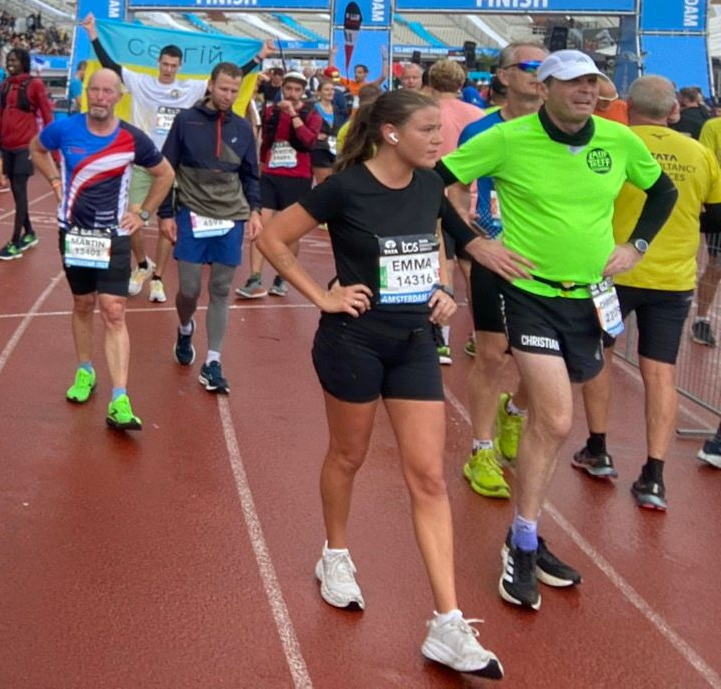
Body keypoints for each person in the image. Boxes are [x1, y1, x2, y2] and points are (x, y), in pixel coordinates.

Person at [255, 89, 506, 677]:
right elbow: (271, 238)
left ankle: (447, 622)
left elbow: (439, 246)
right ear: (391, 134)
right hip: (354, 342)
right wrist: (323, 294)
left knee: (428, 476)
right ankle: (335, 554)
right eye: (428, 130)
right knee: (349, 455)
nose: (439, 140)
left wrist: (443, 292)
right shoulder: (346, 187)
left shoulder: (430, 185)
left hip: (415, 342)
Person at [438, 49, 676, 611]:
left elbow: (662, 191)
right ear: (543, 88)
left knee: (547, 416)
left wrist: (635, 246)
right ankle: (522, 541)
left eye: (592, 82)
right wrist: (473, 243)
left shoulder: (620, 142)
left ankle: (514, 429)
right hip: (527, 295)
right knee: (560, 417)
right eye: (571, 82)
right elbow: (433, 182)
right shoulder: (507, 139)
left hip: (589, 298)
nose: (585, 91)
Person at [574, 76, 721, 510]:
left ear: (628, 107)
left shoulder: (611, 142)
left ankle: (598, 448)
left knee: (599, 354)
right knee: (661, 372)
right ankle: (654, 474)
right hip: (672, 279)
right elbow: (713, 215)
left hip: (612, 272)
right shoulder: (699, 153)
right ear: (674, 111)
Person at [80, 14, 268, 302]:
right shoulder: (140, 81)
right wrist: (93, 33)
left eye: (173, 66)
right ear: (159, 64)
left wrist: (259, 57)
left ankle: (157, 278)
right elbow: (110, 65)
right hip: (144, 163)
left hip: (174, 167)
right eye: (165, 64)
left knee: (168, 225)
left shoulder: (192, 87)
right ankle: (143, 264)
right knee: (131, 219)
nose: (168, 69)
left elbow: (229, 78)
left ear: (180, 67)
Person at [31, 69, 173, 432]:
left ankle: (120, 398)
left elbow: (165, 174)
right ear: (86, 94)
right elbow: (37, 148)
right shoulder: (64, 130)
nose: (99, 97)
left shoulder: (131, 138)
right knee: (82, 304)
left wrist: (142, 213)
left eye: (107, 91)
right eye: (94, 90)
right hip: (74, 234)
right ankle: (84, 371)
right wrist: (53, 179)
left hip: (113, 236)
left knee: (114, 310)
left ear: (118, 96)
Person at [451, 43, 548, 500]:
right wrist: (470, 239)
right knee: (492, 353)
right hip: (496, 257)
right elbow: (450, 186)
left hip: (552, 262)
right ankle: (482, 449)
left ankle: (516, 411)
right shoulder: (480, 129)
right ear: (504, 76)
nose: (540, 75)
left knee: (550, 359)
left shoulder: (568, 128)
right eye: (530, 67)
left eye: (546, 68)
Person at [157, 62, 260, 395]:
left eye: (234, 90)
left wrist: (255, 211)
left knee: (220, 288)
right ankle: (185, 327)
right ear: (211, 85)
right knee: (188, 288)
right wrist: (165, 213)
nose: (229, 96)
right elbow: (167, 168)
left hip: (231, 216)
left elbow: (251, 175)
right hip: (192, 213)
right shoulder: (186, 120)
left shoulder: (243, 128)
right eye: (223, 89)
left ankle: (213, 361)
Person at [241, 71, 324, 298]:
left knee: (291, 232)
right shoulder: (270, 111)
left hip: (298, 178)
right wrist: (261, 166)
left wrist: (294, 116)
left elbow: (309, 141)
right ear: (283, 89)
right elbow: (266, 141)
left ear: (303, 91)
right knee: (260, 225)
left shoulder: (312, 113)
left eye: (297, 90)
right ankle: (255, 277)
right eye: (289, 89)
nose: (292, 94)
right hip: (270, 175)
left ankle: (282, 277)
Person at [425, 59, 485, 362]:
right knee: (473, 270)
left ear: (431, 82)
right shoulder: (479, 115)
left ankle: (441, 338)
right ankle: (480, 333)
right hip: (474, 200)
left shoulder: (429, 114)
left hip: (440, 198)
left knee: (442, 266)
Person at [0, 48, 53, 261]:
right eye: (8, 60)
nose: (10, 63)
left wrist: (51, 142)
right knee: (17, 194)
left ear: (24, 62)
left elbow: (47, 114)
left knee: (20, 192)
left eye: (14, 60)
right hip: (8, 145)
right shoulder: (5, 85)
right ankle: (30, 233)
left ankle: (15, 241)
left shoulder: (35, 85)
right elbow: (0, 116)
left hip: (25, 146)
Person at [698, 112, 721, 347]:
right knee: (716, 267)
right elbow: (706, 162)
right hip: (719, 204)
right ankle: (701, 319)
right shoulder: (713, 127)